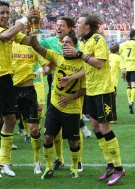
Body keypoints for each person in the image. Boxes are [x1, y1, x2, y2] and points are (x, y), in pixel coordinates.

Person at [61, 12, 125, 186]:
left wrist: (79, 54)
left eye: (79, 23)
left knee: (105, 128)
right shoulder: (83, 42)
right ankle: (110, 164)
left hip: (103, 90)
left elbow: (99, 64)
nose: (76, 26)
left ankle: (119, 168)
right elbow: (87, 68)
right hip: (91, 90)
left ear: (87, 26)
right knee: (95, 127)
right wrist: (71, 77)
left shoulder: (97, 40)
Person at [0, 0, 39, 179]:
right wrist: (23, 19)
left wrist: (35, 26)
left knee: (11, 119)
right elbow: (6, 36)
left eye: (8, 13)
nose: (6, 15)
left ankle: (3, 160)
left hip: (7, 79)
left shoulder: (10, 31)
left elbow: (29, 41)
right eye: (2, 13)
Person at [33, 34, 86, 179]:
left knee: (73, 141)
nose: (64, 45)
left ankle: (75, 167)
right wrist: (32, 34)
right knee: (48, 137)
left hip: (72, 108)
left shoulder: (82, 64)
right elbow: (38, 47)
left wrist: (71, 98)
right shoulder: (56, 56)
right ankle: (49, 168)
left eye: (67, 43)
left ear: (75, 46)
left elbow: (84, 89)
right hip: (55, 105)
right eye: (62, 42)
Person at [11, 39, 47, 174]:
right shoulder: (9, 44)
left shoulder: (34, 46)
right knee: (8, 124)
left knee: (34, 130)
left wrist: (38, 72)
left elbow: (48, 65)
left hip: (29, 90)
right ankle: (6, 160)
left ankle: (36, 161)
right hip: (11, 90)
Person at [119, 29, 135, 114]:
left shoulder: (123, 44)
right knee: (134, 85)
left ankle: (129, 102)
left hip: (126, 67)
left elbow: (118, 53)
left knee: (128, 85)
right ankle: (131, 102)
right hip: (134, 67)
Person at [109, 42, 126, 123]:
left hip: (103, 81)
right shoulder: (119, 58)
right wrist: (124, 77)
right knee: (112, 100)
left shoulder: (107, 56)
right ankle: (113, 118)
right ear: (118, 49)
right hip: (112, 82)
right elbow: (123, 71)